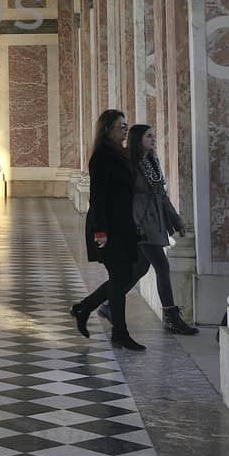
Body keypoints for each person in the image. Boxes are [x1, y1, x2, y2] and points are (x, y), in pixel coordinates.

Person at [70, 110, 149, 352]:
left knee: (124, 275)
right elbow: (98, 198)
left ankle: (85, 307)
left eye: (126, 126)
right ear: (108, 129)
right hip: (108, 228)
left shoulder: (121, 154)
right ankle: (119, 333)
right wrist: (99, 232)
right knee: (120, 277)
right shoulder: (102, 157)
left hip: (123, 226)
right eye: (120, 126)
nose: (125, 129)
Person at [129, 124, 196, 335]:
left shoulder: (153, 161)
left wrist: (176, 221)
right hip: (142, 223)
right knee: (162, 266)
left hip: (155, 220)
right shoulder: (131, 164)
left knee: (139, 269)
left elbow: (162, 194)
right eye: (149, 136)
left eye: (154, 136)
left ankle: (107, 304)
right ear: (138, 139)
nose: (153, 139)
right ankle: (171, 316)